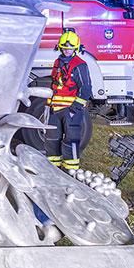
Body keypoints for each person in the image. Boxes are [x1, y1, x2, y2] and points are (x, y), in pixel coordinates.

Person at [44, 31, 92, 171]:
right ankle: (53, 170)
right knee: (52, 140)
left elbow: (86, 88)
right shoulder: (58, 63)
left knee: (70, 141)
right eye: (64, 48)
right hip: (55, 109)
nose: (67, 50)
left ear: (75, 48)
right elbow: (54, 83)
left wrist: (75, 108)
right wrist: (49, 103)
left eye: (70, 48)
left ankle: (71, 171)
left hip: (70, 109)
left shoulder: (80, 65)